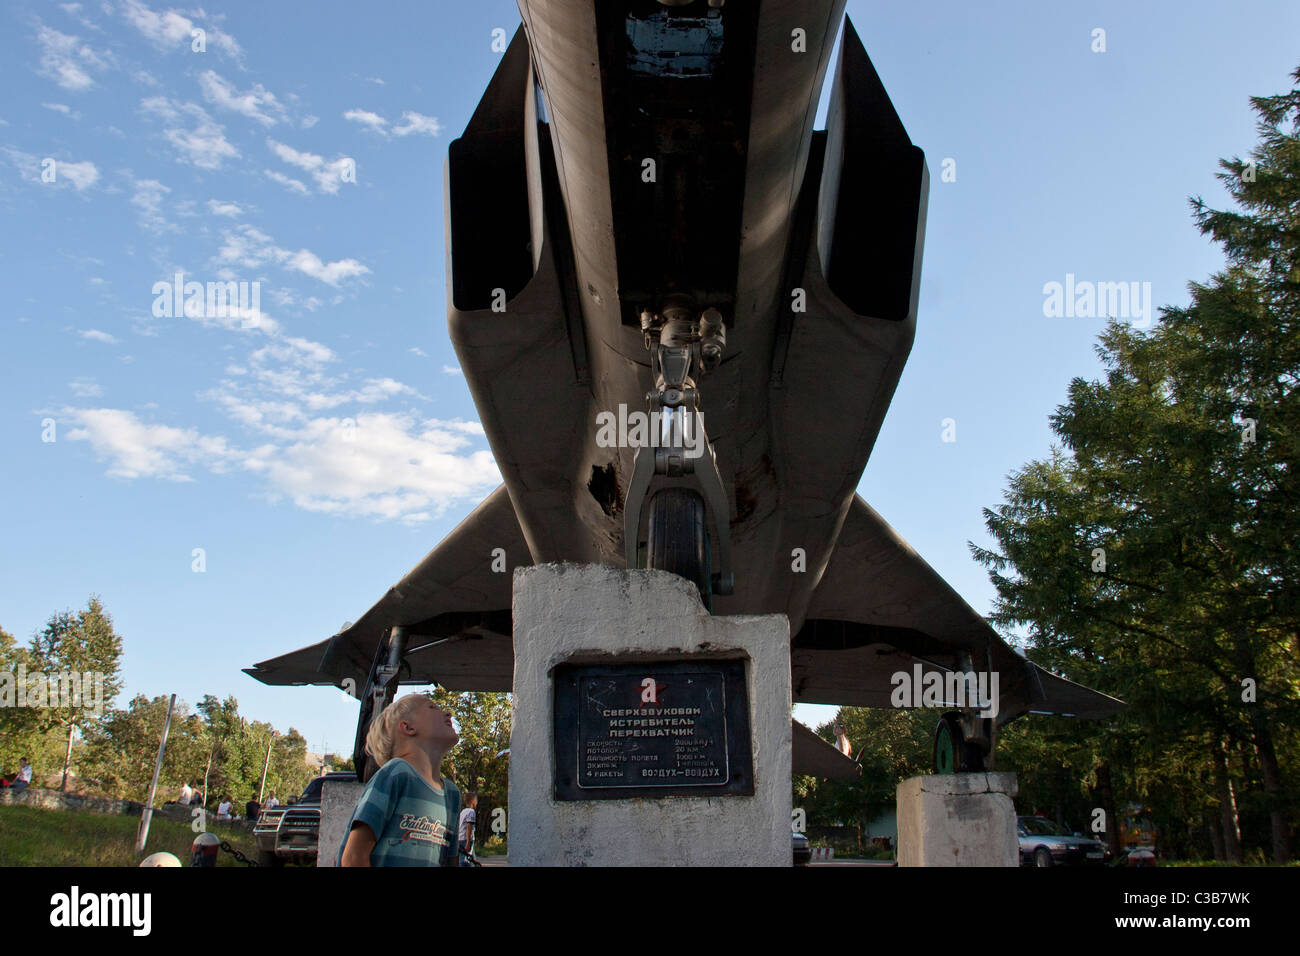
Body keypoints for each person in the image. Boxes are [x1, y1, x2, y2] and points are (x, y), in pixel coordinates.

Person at [338, 694, 461, 867]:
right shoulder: (396, 774)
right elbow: (353, 858)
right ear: (408, 727)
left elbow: (451, 861)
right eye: (432, 707)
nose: (448, 714)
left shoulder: (452, 794)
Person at [458, 792, 479, 866]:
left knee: (468, 859)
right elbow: (468, 826)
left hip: (460, 838)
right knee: (465, 861)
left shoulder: (463, 811)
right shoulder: (471, 812)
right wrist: (468, 841)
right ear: (473, 801)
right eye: (476, 801)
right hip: (465, 839)